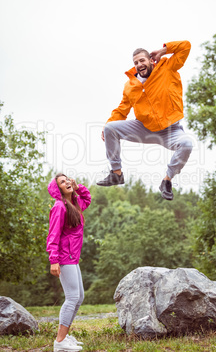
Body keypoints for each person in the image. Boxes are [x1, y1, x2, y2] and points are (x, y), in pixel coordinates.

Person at [97, 41, 193, 200]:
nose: (139, 64)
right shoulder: (130, 86)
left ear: (150, 60)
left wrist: (163, 50)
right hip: (145, 128)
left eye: (142, 60)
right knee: (110, 128)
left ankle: (167, 181)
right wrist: (107, 126)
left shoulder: (167, 68)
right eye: (136, 63)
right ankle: (116, 174)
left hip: (171, 130)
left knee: (187, 144)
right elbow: (122, 109)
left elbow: (186, 46)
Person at [46, 173, 91, 352]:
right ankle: (60, 342)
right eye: (62, 182)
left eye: (67, 180)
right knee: (72, 297)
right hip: (64, 257)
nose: (66, 183)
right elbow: (53, 234)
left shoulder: (74, 204)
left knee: (79, 297)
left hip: (72, 256)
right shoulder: (59, 207)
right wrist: (54, 260)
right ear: (58, 188)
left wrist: (78, 187)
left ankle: (65, 337)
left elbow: (87, 198)